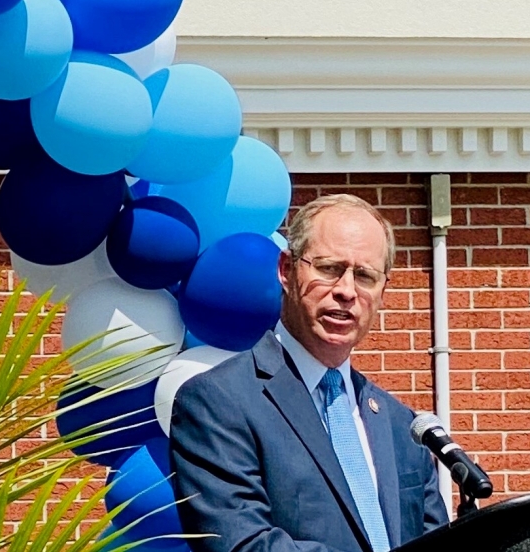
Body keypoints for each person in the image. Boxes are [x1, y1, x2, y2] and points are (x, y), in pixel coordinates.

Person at [169, 194, 448, 552]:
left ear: (382, 292)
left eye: (365, 276)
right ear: (286, 271)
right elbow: (243, 544)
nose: (346, 291)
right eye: (330, 268)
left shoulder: (401, 426)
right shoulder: (217, 402)